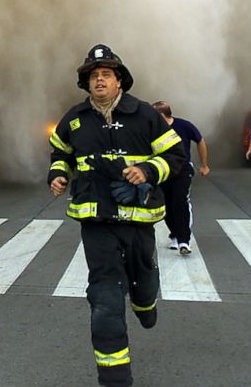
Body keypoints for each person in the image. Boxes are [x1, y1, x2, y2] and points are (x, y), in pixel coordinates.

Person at [48, 45, 184, 387]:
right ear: (86, 82)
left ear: (119, 79)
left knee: (143, 278)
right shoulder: (75, 118)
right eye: (93, 75)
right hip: (96, 221)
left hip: (138, 219)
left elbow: (176, 156)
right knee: (105, 297)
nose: (99, 80)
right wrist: (57, 174)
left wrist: (148, 171)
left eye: (106, 74)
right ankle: (115, 378)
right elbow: (60, 152)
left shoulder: (144, 115)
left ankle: (145, 302)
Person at [152, 101, 210, 255]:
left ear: (162, 115)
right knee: (166, 206)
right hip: (162, 171)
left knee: (180, 202)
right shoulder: (153, 128)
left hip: (182, 171)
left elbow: (200, 141)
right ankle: (175, 234)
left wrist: (204, 164)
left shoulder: (184, 125)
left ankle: (183, 240)